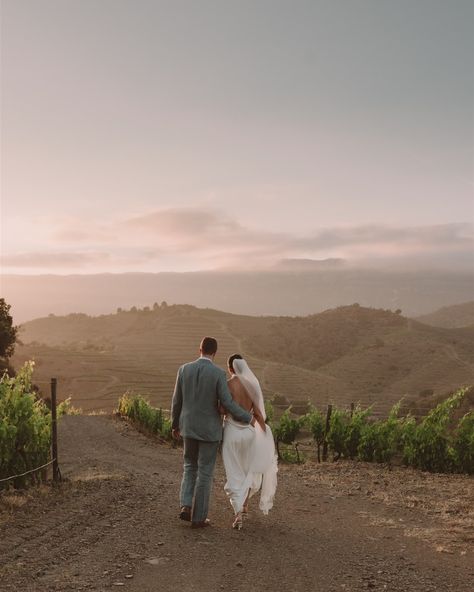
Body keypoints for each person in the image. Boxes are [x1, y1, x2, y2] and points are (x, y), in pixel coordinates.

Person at [171, 337, 256, 529]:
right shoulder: (218, 374)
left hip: (188, 427)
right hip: (209, 431)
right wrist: (248, 417)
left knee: (189, 466)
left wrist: (175, 424)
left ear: (199, 349)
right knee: (205, 472)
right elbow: (227, 403)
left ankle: (185, 505)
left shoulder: (184, 369)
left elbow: (177, 401)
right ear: (215, 352)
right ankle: (199, 518)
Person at [222, 354, 278, 530]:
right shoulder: (252, 386)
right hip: (248, 433)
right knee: (247, 471)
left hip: (231, 432)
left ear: (230, 368)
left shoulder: (228, 385)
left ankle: (238, 513)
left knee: (234, 472)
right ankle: (244, 504)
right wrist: (264, 432)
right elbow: (259, 414)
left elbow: (222, 409)